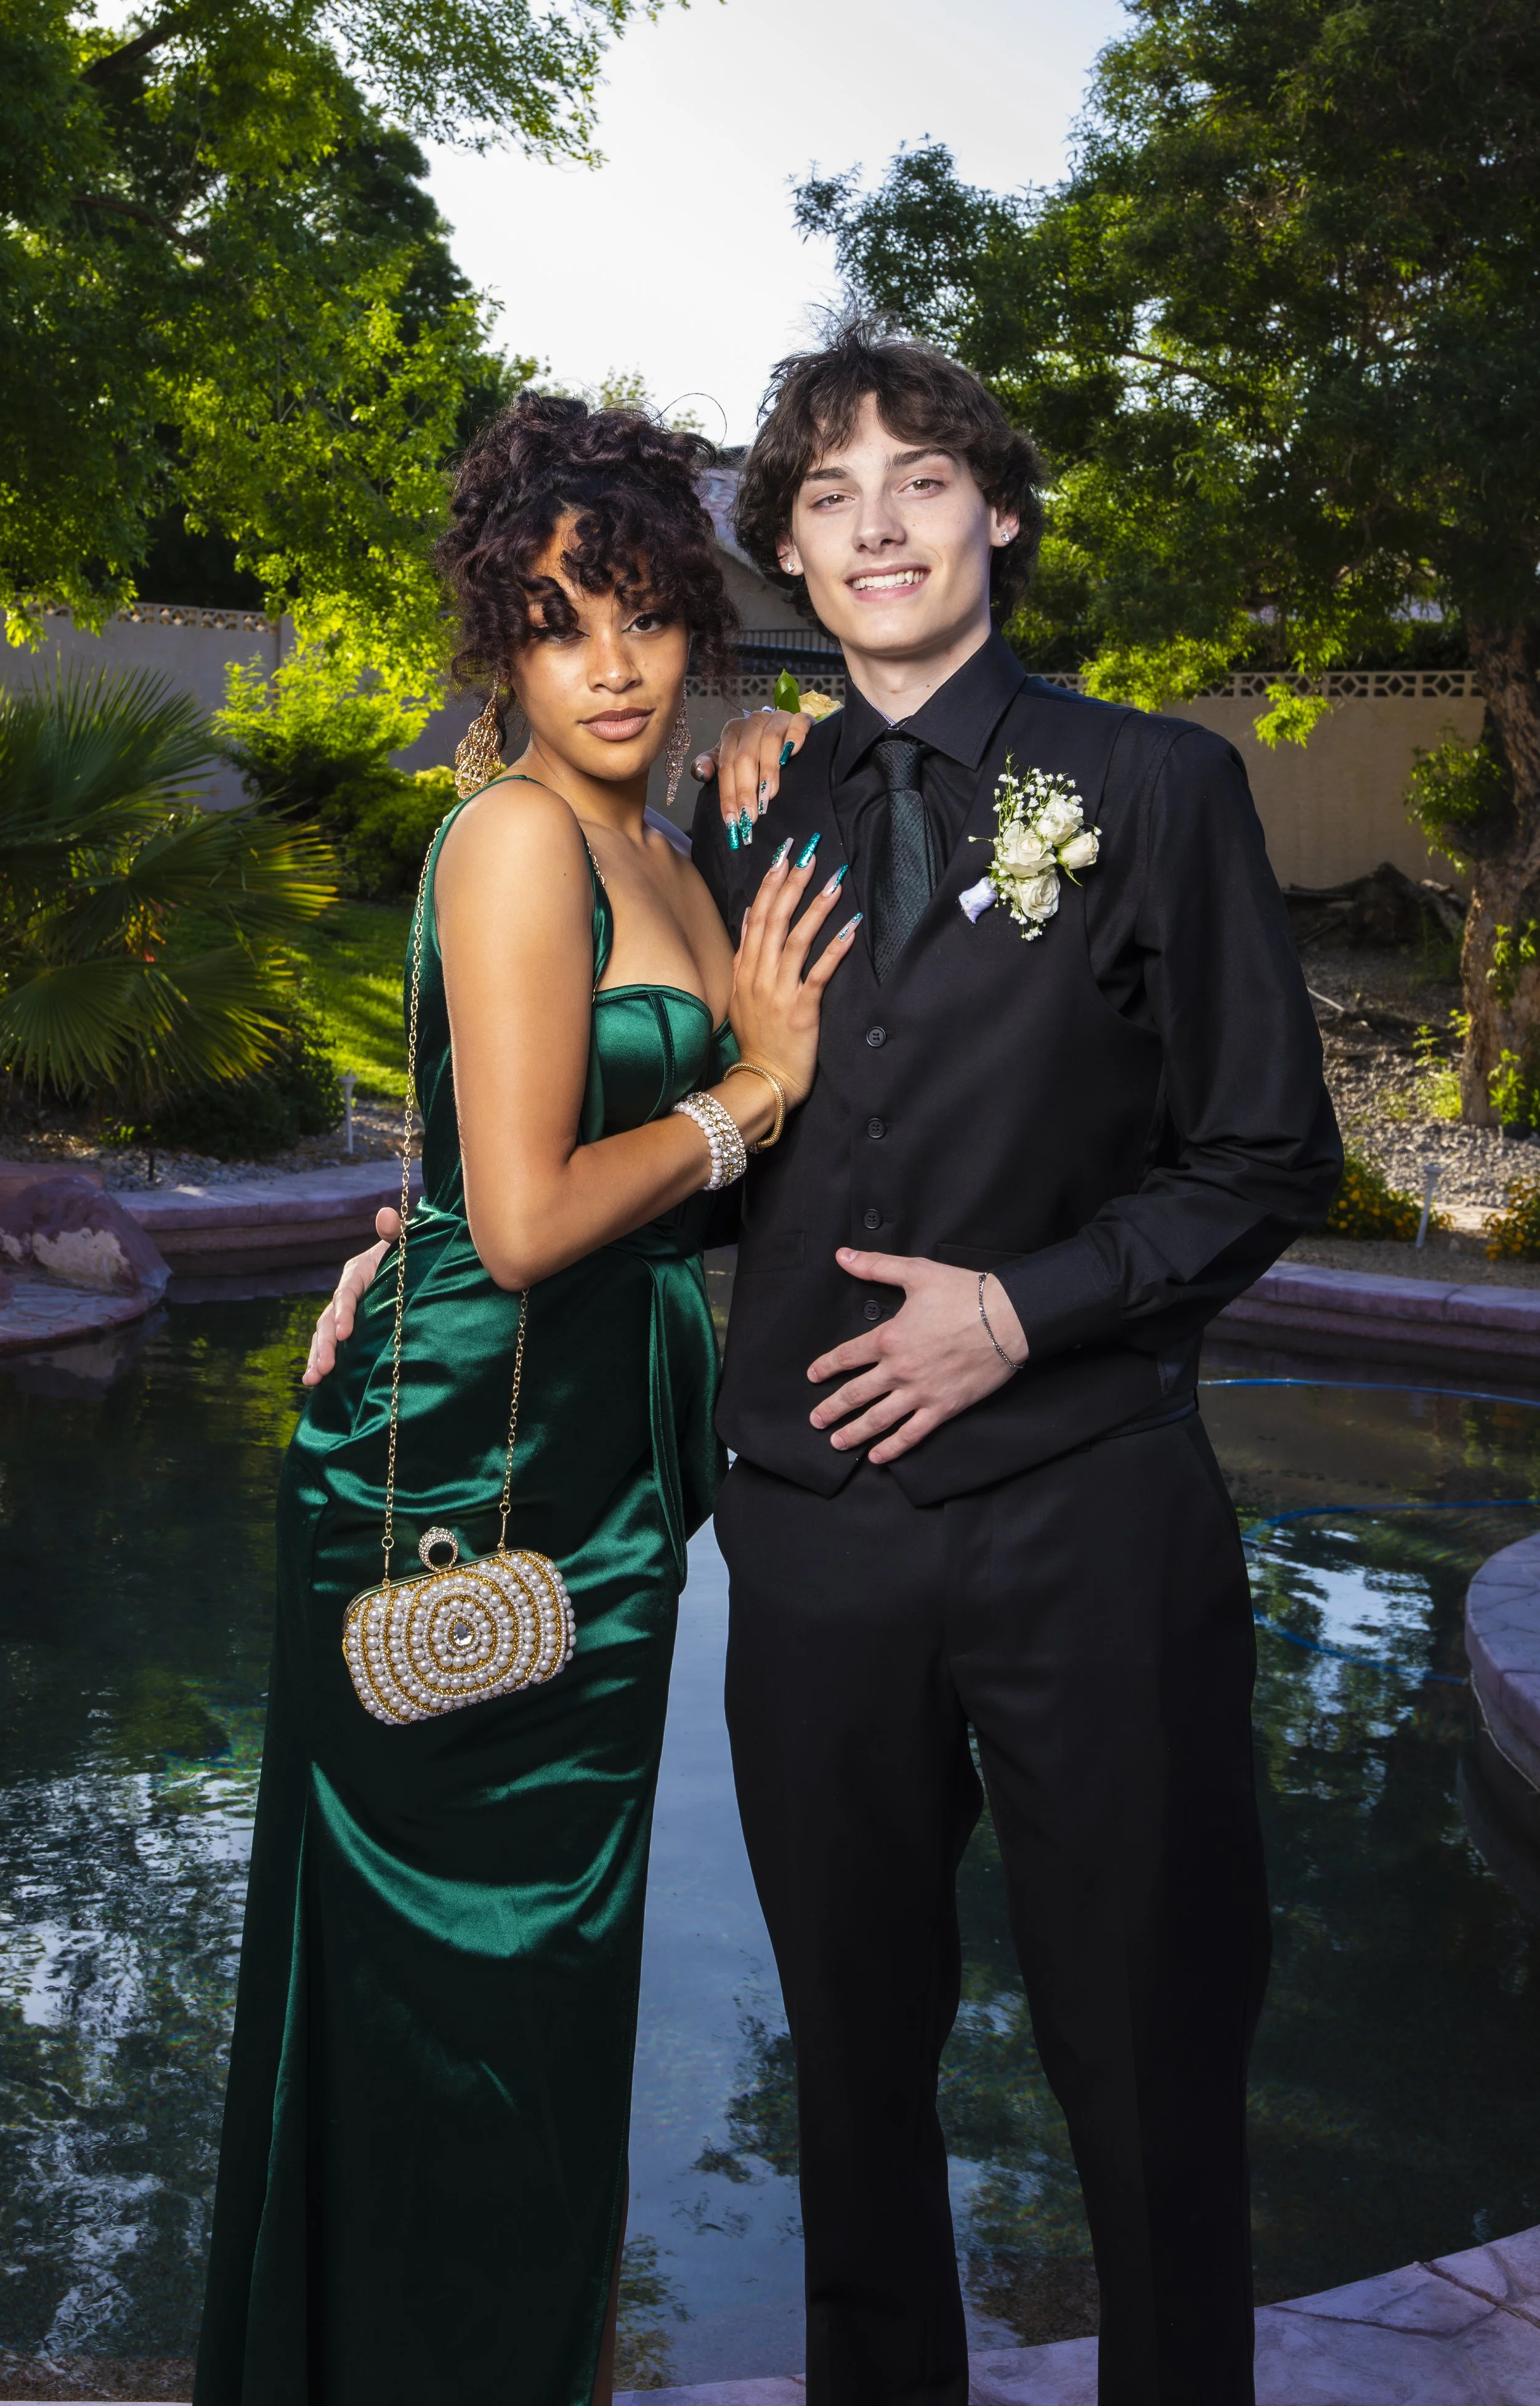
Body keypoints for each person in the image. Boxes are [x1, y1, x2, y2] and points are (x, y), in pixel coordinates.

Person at [688, 328, 1341, 2405]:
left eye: (919, 478)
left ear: (999, 516)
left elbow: (1267, 1152)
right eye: (826, 490)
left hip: (1089, 1520)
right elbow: (673, 1142)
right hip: (813, 1542)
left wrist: (1019, 1309)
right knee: (851, 2072)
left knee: (1146, 2057)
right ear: (791, 548)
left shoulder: (1147, 783)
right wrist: (404, 1255)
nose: (874, 520)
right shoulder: (745, 802)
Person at [193, 392, 856, 2406]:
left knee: (552, 1993)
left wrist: (789, 741)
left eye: (649, 615)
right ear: (502, 646)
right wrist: (749, 1097)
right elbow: (524, 1215)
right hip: (454, 1479)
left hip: (606, 1477)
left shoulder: (661, 834)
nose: (614, 662)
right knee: (455, 1992)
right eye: (564, 624)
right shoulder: (508, 840)